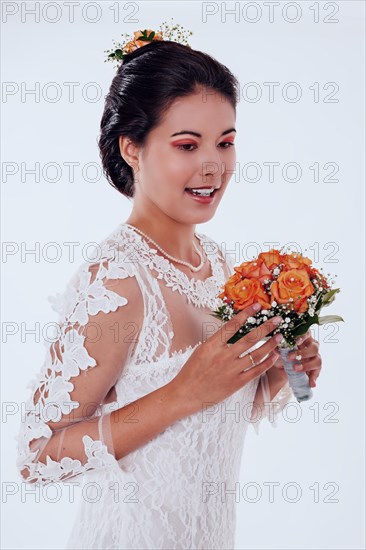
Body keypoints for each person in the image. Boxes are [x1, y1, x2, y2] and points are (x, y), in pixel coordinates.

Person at [15, 37, 304, 550]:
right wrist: (181, 393)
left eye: (226, 141)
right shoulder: (118, 281)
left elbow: (203, 429)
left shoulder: (219, 265)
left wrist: (274, 376)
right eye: (187, 145)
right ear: (132, 147)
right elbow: (37, 457)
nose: (213, 166)